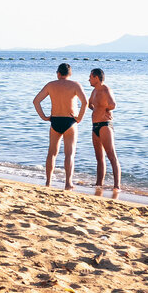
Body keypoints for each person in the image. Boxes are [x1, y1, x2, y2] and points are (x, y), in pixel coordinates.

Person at [32, 63, 88, 190]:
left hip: (55, 120)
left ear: (58, 73)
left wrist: (44, 117)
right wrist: (79, 118)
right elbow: (85, 102)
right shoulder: (75, 85)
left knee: (52, 153)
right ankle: (68, 183)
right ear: (70, 74)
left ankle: (48, 182)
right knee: (69, 154)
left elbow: (36, 101)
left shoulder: (51, 85)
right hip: (70, 121)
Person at [87, 68, 121, 199]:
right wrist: (96, 109)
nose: (89, 79)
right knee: (99, 158)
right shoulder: (94, 91)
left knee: (111, 155)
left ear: (96, 77)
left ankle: (117, 185)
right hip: (95, 125)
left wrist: (106, 109)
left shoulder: (106, 89)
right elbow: (89, 104)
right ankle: (99, 184)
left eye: (90, 76)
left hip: (105, 125)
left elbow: (113, 104)